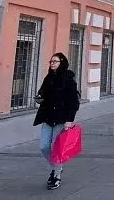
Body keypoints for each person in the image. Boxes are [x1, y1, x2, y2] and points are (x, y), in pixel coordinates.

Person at [33, 52, 80, 191]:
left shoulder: (68, 79)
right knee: (44, 147)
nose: (52, 63)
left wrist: (69, 120)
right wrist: (39, 97)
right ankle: (56, 167)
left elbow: (73, 102)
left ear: (62, 63)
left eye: (55, 61)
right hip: (47, 117)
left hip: (61, 119)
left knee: (56, 148)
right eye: (51, 61)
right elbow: (42, 93)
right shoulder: (49, 77)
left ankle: (56, 175)